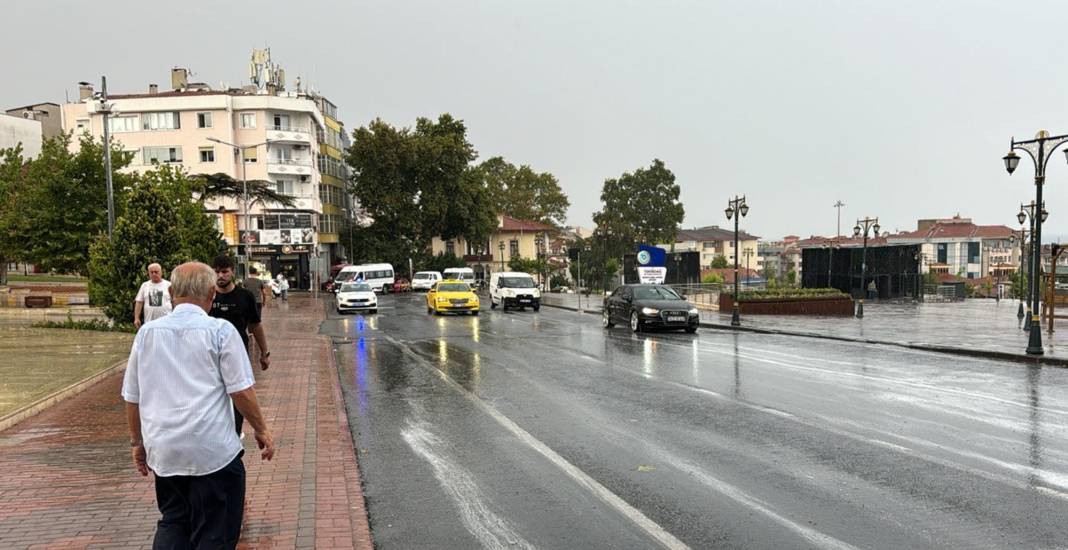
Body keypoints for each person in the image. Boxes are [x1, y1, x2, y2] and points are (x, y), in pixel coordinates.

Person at [122, 261, 276, 549]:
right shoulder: (220, 331)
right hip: (212, 452)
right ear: (211, 293)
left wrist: (137, 442)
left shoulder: (147, 334)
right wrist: (261, 429)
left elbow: (133, 396)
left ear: (171, 291)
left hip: (165, 451)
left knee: (175, 521)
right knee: (216, 530)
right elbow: (241, 390)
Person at [210, 255, 271, 435]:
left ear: (232, 272)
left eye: (224, 271)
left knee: (239, 392)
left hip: (238, 354)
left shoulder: (245, 296)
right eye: (216, 272)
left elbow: (255, 325)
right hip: (210, 355)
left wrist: (264, 353)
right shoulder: (207, 296)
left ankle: (235, 432)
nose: (220, 275)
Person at [133, 263, 172, 329]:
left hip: (166, 322)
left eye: (156, 272)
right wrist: (136, 318)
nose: (154, 274)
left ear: (161, 272)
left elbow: (175, 301)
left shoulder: (169, 285)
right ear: (148, 273)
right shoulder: (144, 285)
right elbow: (139, 302)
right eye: (151, 272)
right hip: (149, 322)